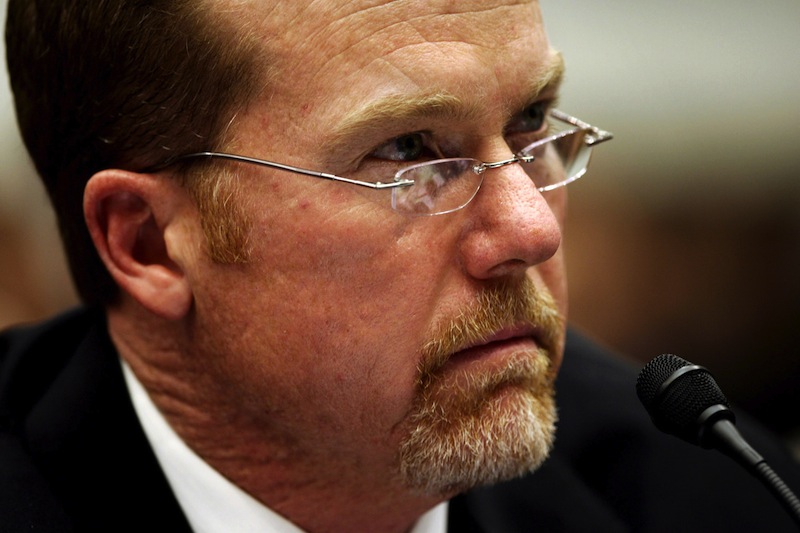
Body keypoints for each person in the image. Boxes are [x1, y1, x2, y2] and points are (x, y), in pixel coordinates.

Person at [1, 1, 798, 531]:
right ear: (145, 242)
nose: (529, 229)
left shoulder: (700, 491)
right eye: (409, 153)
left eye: (529, 122)